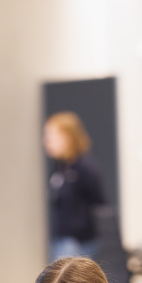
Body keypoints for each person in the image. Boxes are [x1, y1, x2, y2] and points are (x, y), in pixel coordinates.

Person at [44, 112, 106, 262]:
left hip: (79, 244)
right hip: (62, 241)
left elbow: (98, 205)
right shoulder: (61, 168)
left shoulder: (85, 168)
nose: (46, 142)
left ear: (67, 137)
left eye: (51, 137)